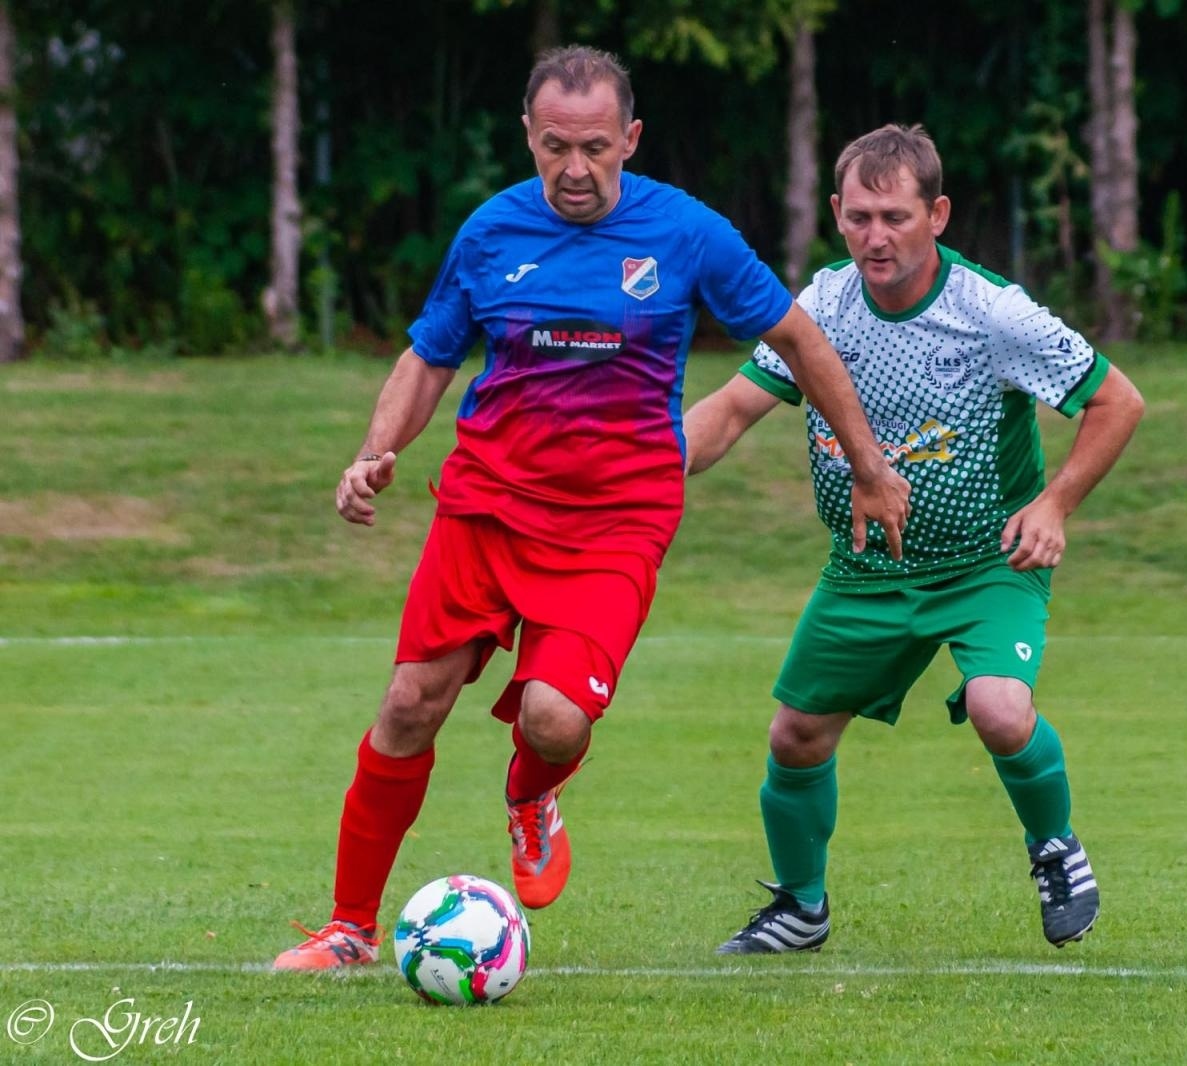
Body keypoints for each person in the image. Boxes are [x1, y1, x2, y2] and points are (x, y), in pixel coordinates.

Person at [273, 47, 909, 971]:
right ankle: (347, 930)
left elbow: (798, 336)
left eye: (597, 148)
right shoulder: (491, 233)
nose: (575, 169)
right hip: (487, 506)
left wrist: (865, 461)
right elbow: (429, 358)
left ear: (631, 141)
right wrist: (377, 451)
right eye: (556, 147)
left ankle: (531, 796)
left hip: (616, 522)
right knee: (410, 702)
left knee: (554, 720)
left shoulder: (687, 234)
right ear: (528, 137)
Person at [685, 124, 1144, 953]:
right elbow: (725, 415)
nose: (875, 236)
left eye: (895, 217)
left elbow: (1119, 402)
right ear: (835, 212)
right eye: (859, 217)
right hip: (864, 571)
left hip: (981, 565)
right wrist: (625, 465)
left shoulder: (992, 313)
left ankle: (1056, 849)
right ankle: (801, 907)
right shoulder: (821, 307)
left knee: (998, 707)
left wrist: (1054, 507)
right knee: (796, 736)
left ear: (937, 214)